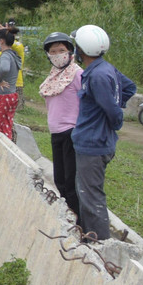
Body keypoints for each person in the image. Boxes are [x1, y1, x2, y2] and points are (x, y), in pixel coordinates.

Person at [70, 24, 136, 242]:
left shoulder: (97, 76)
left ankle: (100, 244)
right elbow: (128, 88)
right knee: (87, 193)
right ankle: (92, 237)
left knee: (91, 197)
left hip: (93, 144)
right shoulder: (105, 68)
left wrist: (113, 119)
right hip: (97, 141)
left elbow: (112, 110)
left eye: (76, 47)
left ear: (82, 50)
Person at [39, 31, 83, 218]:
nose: (58, 55)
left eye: (62, 50)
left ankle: (80, 223)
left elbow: (88, 103)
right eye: (53, 51)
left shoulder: (77, 74)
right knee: (60, 180)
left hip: (71, 132)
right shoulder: (53, 77)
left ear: (70, 52)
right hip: (56, 133)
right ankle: (69, 217)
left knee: (71, 182)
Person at [5, 22, 26, 106]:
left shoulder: (18, 46)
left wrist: (6, 36)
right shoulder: (1, 49)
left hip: (16, 83)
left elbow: (13, 45)